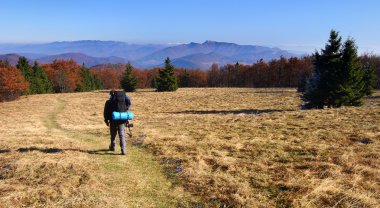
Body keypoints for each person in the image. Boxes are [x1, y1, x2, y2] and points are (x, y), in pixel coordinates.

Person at [103, 89, 131, 155]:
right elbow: (129, 103)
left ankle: (112, 147)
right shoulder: (123, 100)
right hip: (122, 119)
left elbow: (106, 112)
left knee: (113, 134)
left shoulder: (108, 102)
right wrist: (125, 110)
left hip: (112, 120)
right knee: (122, 135)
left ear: (110, 95)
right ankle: (123, 150)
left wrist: (106, 120)